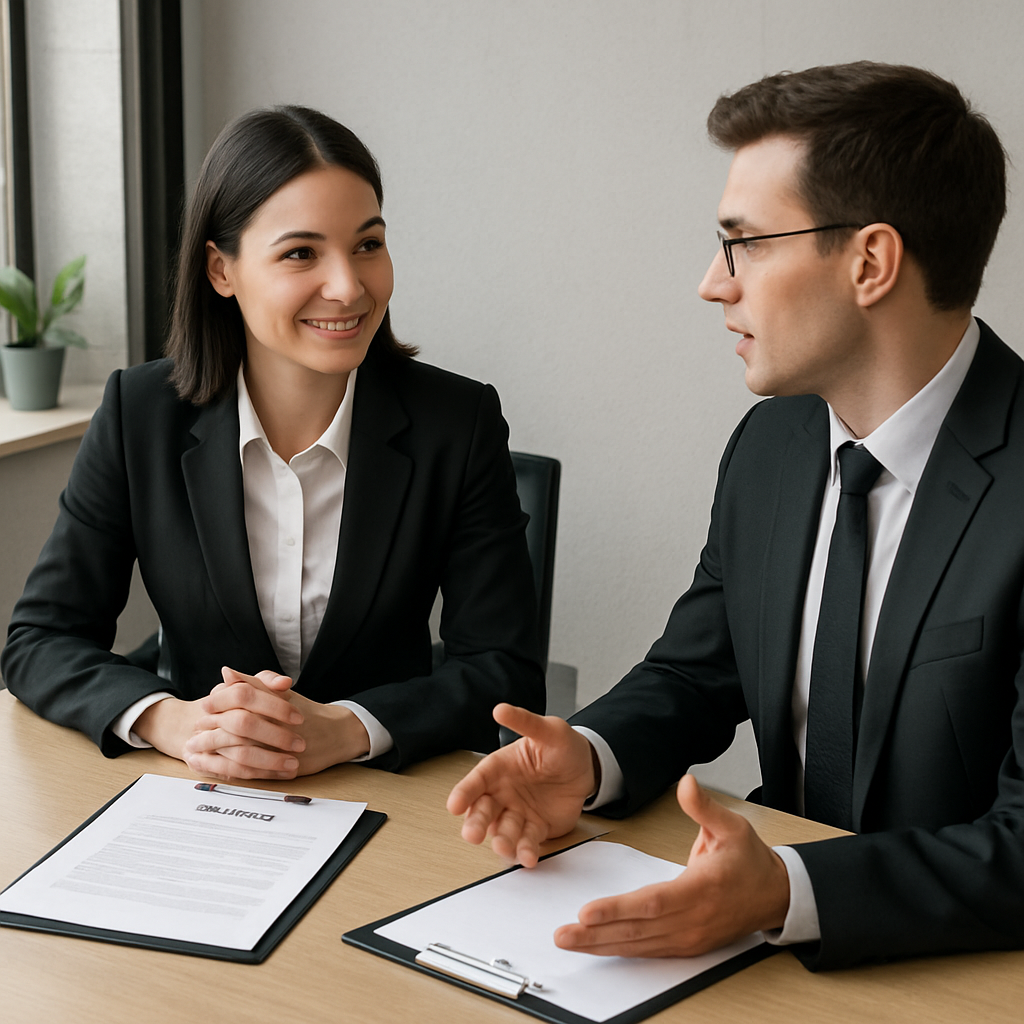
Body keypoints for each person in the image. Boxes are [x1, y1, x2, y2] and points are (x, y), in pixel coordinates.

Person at [448, 62, 1024, 970]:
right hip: (760, 960)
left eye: (743, 242)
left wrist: (791, 890)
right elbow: (695, 673)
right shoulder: (773, 444)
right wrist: (590, 756)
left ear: (870, 261)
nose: (714, 283)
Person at [2, 105, 544, 779]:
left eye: (368, 245)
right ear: (221, 271)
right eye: (300, 253)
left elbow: (506, 672)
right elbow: (40, 638)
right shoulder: (138, 414)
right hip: (200, 792)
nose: (348, 286)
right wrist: (172, 719)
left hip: (388, 797)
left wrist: (345, 730)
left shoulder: (457, 421)